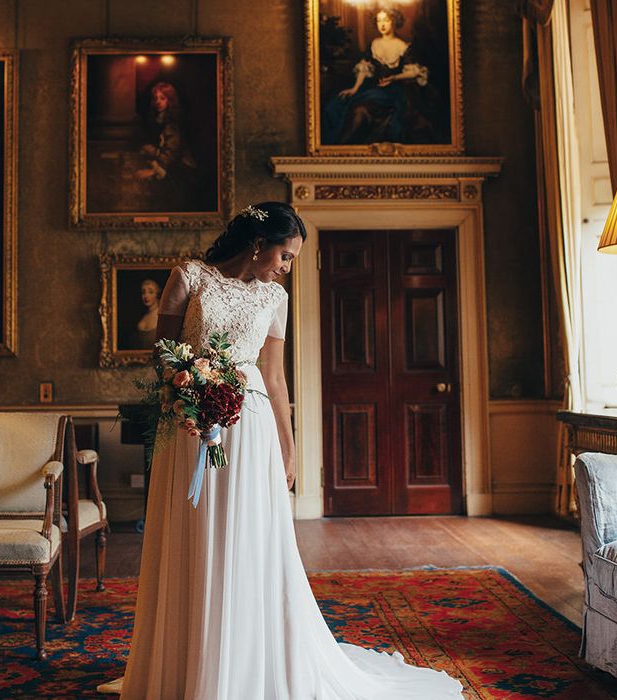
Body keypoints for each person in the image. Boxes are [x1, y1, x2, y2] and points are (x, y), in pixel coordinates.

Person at [97, 201, 463, 699]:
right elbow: (161, 355)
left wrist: (289, 448)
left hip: (249, 428)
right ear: (258, 244)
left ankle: (247, 664)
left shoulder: (275, 298)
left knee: (249, 538)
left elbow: (274, 378)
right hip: (188, 425)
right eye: (286, 256)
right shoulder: (189, 276)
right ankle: (187, 666)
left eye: (291, 259)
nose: (287, 267)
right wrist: (186, 384)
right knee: (196, 534)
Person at [322, 9, 431, 145]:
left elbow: (414, 72)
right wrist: (355, 89)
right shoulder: (374, 44)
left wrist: (394, 78)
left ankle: (339, 147)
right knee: (335, 106)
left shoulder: (403, 46)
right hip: (373, 89)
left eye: (386, 20)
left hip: (394, 92)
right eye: (379, 20)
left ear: (395, 22)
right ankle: (333, 149)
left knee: (359, 110)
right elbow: (364, 68)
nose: (382, 24)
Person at [127, 82, 198, 211]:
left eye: (162, 98)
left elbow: (172, 153)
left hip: (181, 169)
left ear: (170, 100)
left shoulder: (173, 122)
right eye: (155, 98)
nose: (158, 101)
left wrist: (153, 157)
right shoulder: (158, 119)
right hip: (168, 165)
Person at [126, 278, 161, 350]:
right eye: (143, 292)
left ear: (157, 294)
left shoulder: (161, 315)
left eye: (150, 292)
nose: (146, 296)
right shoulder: (141, 316)